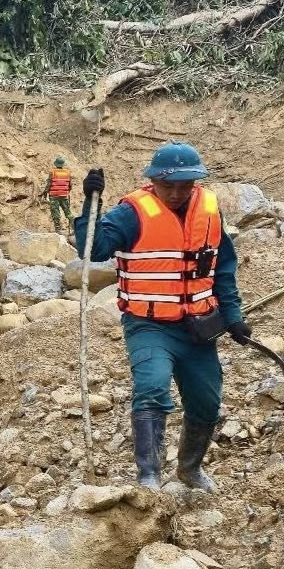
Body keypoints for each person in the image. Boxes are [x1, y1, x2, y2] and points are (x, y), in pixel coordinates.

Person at [76, 142, 248, 491]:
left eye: (184, 185)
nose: (175, 193)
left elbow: (223, 268)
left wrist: (232, 316)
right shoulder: (132, 213)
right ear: (152, 180)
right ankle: (149, 477)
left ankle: (189, 469)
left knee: (206, 401)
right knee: (152, 387)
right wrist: (89, 203)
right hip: (148, 324)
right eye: (167, 185)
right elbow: (92, 249)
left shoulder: (210, 212)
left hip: (199, 327)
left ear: (195, 183)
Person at [44, 157, 73, 234]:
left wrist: (45, 192)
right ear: (63, 164)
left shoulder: (52, 172)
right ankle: (74, 227)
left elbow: (49, 184)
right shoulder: (68, 172)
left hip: (54, 195)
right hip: (64, 195)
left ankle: (58, 230)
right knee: (67, 211)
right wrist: (66, 191)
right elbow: (70, 186)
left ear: (56, 164)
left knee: (55, 212)